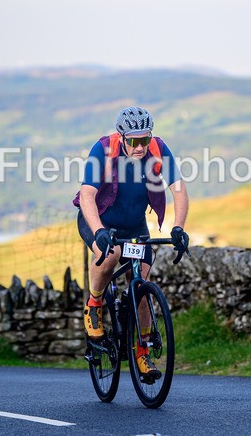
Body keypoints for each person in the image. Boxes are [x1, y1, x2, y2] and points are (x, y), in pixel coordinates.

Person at [73, 106, 189, 382]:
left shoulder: (158, 149)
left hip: (135, 225)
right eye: (134, 141)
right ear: (122, 137)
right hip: (98, 220)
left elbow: (179, 189)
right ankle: (94, 304)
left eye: (145, 140)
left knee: (141, 285)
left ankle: (142, 353)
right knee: (110, 254)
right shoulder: (103, 149)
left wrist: (178, 227)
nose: (140, 147)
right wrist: (99, 230)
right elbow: (88, 195)